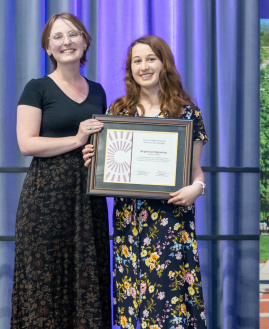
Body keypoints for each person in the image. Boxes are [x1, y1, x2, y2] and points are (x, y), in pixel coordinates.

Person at [83, 36, 207, 329]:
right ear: (130, 69)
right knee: (133, 307)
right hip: (130, 227)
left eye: (151, 58)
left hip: (171, 222)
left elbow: (196, 172)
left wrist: (197, 189)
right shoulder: (118, 112)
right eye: (137, 61)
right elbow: (108, 165)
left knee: (170, 310)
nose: (144, 66)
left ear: (165, 64)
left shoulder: (188, 113)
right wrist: (95, 158)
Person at [11, 13, 111, 329]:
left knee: (87, 278)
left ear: (85, 41)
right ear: (48, 48)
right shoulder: (36, 88)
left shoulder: (98, 91)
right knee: (46, 281)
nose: (66, 42)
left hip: (88, 200)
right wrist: (77, 139)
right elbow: (26, 144)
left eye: (73, 34)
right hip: (46, 201)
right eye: (57, 37)